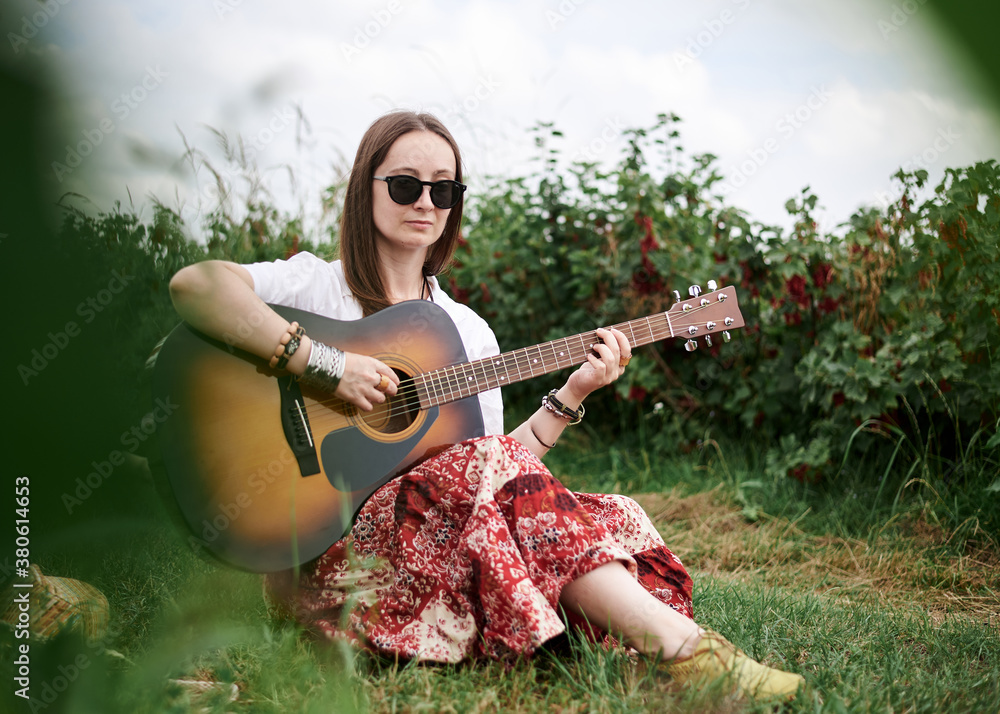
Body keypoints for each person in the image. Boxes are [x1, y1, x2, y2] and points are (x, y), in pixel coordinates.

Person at [168, 110, 804, 702]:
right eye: (406, 185)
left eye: (443, 190)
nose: (425, 202)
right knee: (499, 477)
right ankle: (688, 654)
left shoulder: (466, 331)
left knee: (617, 517)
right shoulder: (313, 284)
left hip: (436, 550)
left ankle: (655, 671)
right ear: (366, 187)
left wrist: (573, 393)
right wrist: (324, 366)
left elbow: (501, 472)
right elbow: (195, 286)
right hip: (331, 557)